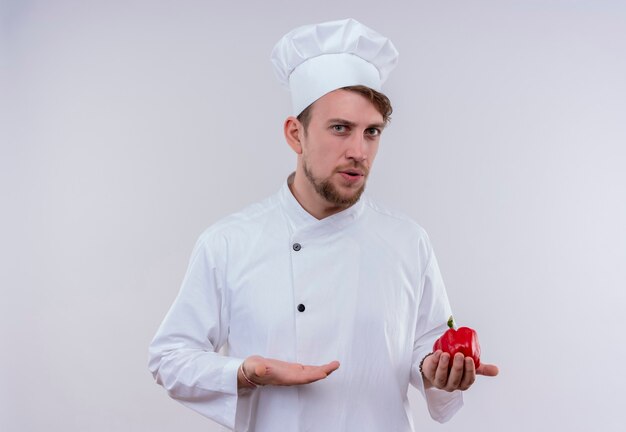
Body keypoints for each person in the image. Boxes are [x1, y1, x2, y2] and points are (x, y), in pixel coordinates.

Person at [148, 18, 498, 432]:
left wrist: (436, 369)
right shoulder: (228, 242)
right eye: (340, 129)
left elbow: (427, 344)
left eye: (372, 133)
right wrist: (244, 371)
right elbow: (170, 356)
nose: (359, 151)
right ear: (296, 134)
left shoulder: (408, 240)